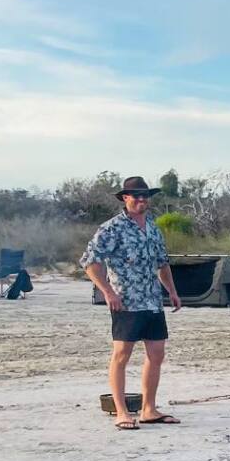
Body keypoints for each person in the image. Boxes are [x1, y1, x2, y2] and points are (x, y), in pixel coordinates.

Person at [81, 176, 182, 431]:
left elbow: (162, 262)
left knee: (156, 353)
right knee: (121, 355)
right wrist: (107, 291)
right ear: (125, 198)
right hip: (126, 301)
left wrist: (171, 291)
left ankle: (149, 409)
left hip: (151, 300)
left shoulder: (153, 227)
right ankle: (122, 412)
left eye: (145, 196)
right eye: (135, 196)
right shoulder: (111, 228)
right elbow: (89, 262)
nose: (141, 200)